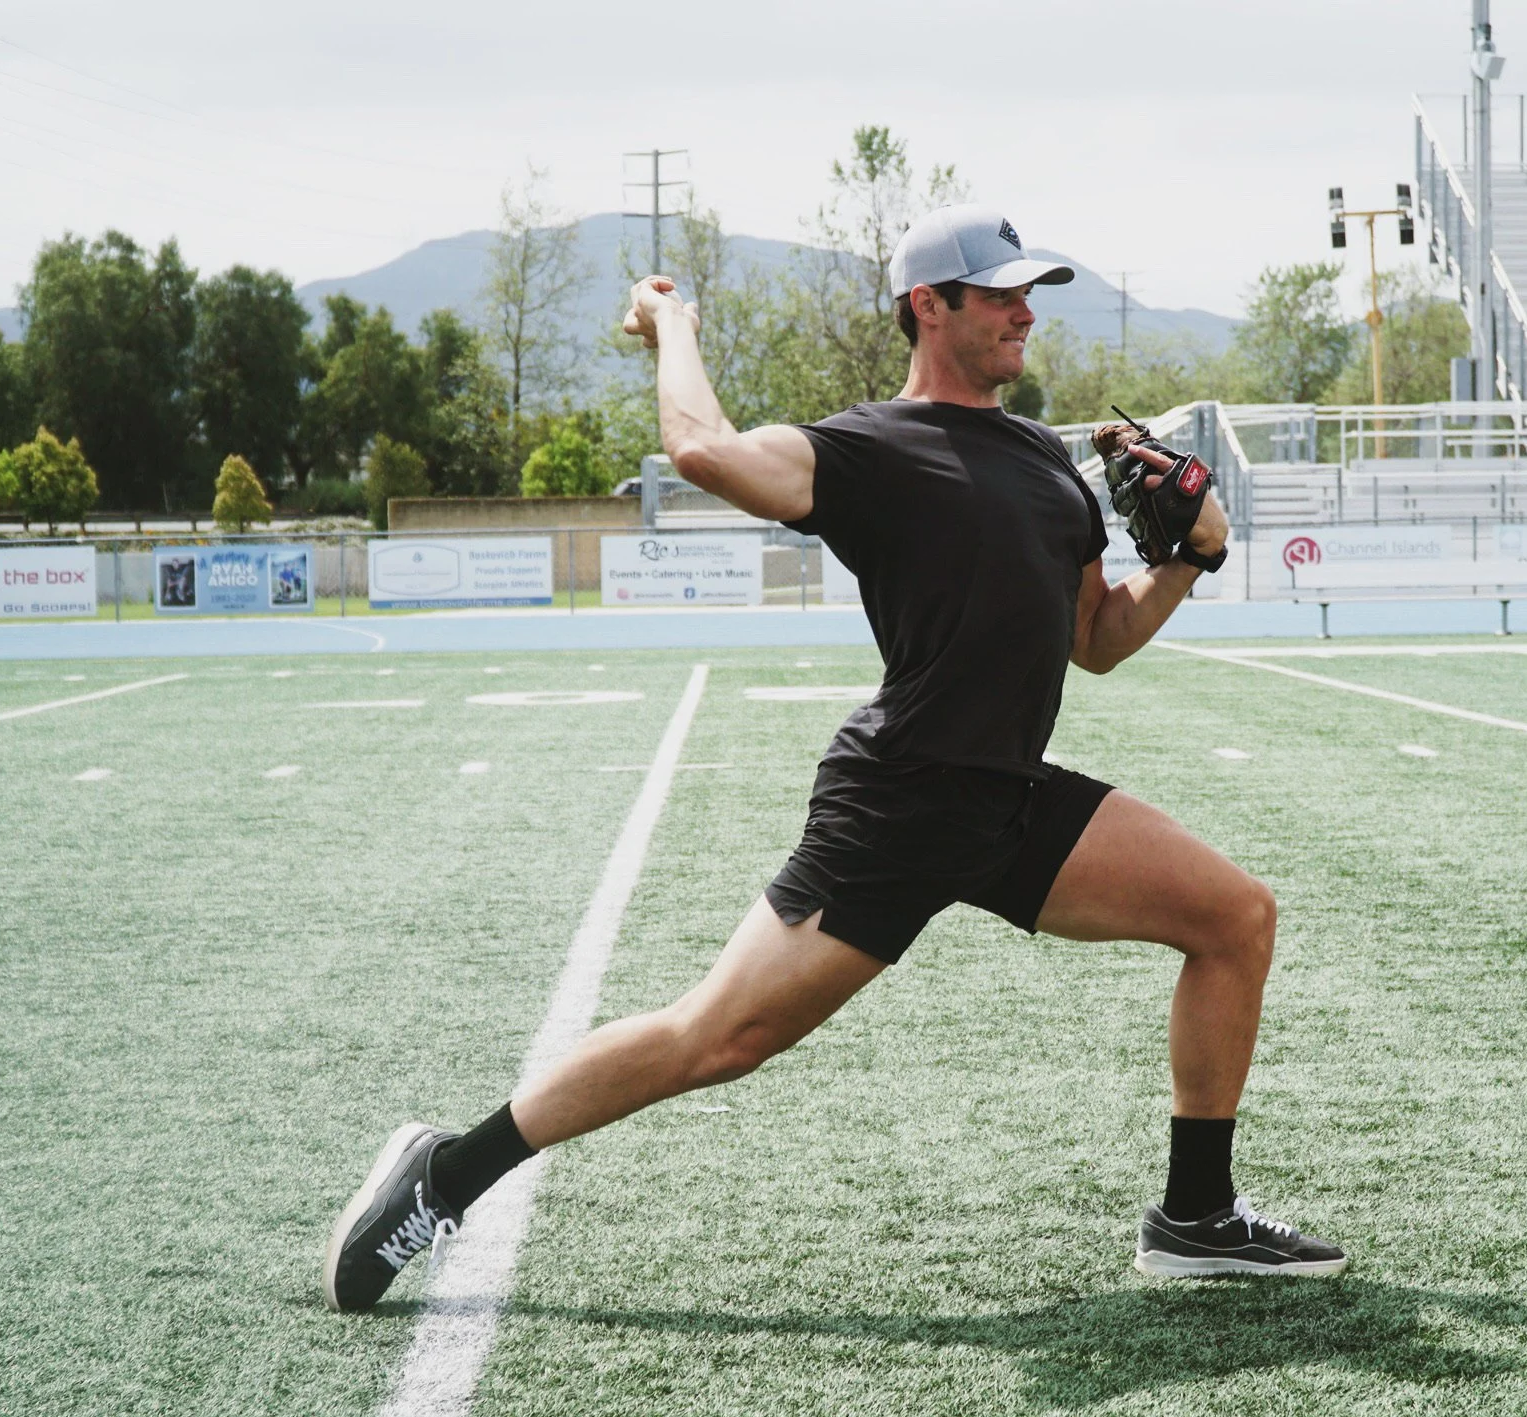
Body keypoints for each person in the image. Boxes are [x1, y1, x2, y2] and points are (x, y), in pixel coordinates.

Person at [325, 205, 1344, 1311]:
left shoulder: (1050, 466)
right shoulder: (871, 448)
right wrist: (675, 323)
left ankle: (1195, 1218)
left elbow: (1094, 643)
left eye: (1029, 292)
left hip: (1008, 800)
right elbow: (703, 451)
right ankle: (447, 1173)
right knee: (715, 1039)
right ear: (928, 306)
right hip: (900, 807)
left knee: (1235, 918)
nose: (1023, 312)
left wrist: (1192, 560)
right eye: (999, 293)